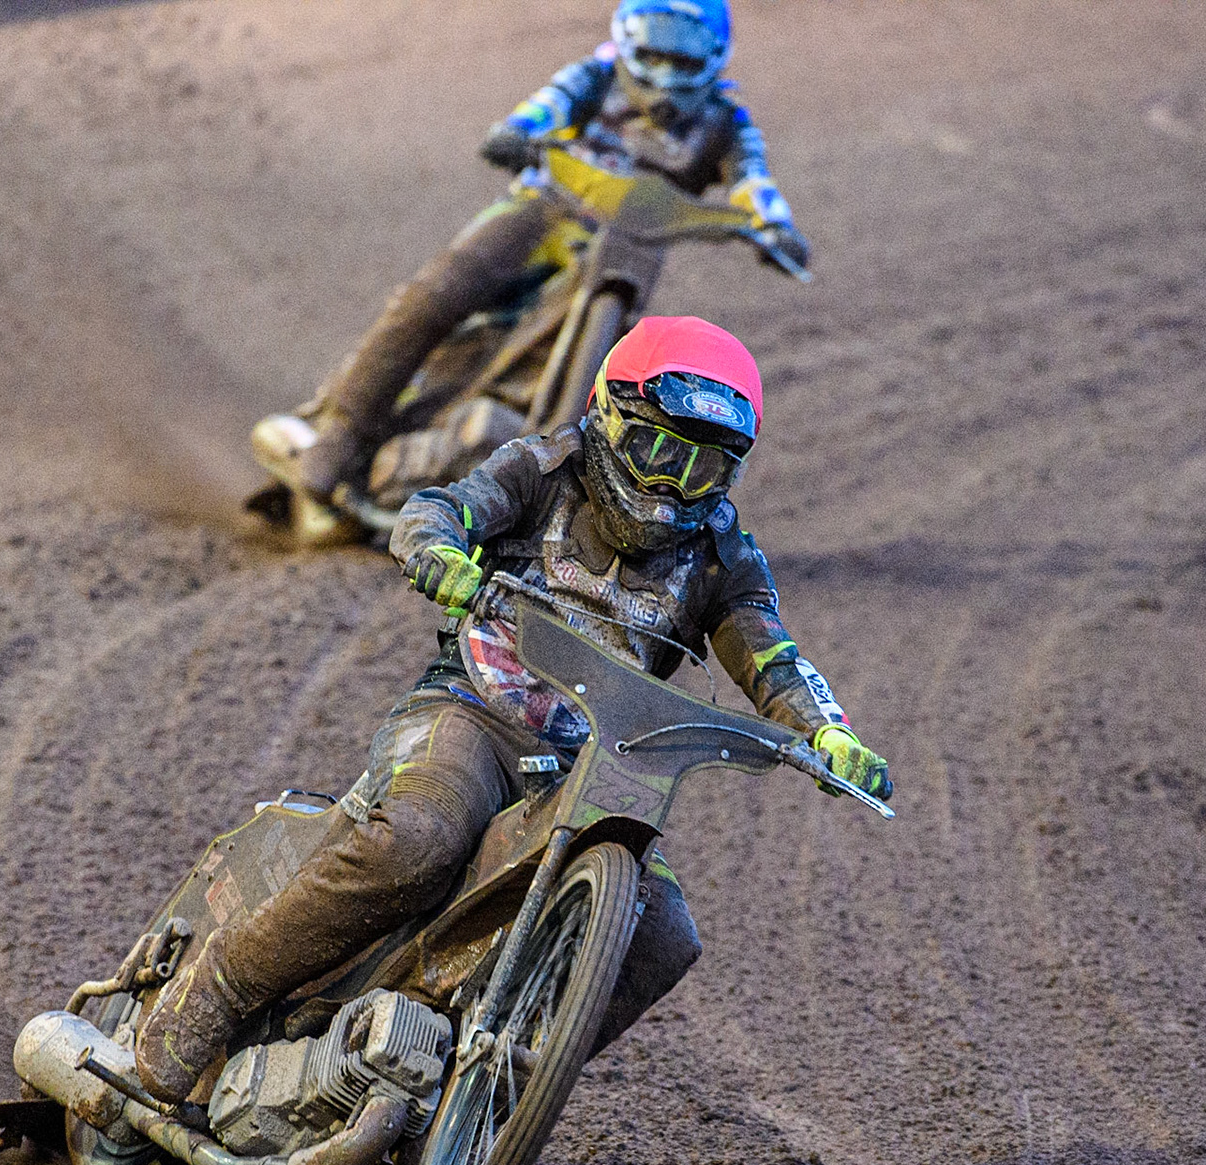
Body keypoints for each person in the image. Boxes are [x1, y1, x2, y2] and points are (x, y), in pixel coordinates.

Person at [137, 316, 891, 1104]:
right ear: (609, 419)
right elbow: (439, 510)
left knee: (664, 934)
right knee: (421, 835)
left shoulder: (723, 558)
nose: (672, 487)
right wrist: (439, 554)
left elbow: (773, 658)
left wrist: (828, 732)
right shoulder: (542, 469)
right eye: (658, 451)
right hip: (470, 708)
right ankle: (214, 992)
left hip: (594, 763)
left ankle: (479, 1107)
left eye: (702, 469)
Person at [269, 0, 812, 515]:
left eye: (683, 57)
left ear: (714, 56)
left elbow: (754, 181)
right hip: (545, 212)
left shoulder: (726, 123)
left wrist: (775, 228)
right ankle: (342, 431)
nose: (666, 73)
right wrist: (518, 132)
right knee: (440, 291)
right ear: (628, 39)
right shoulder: (596, 77)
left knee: (630, 375)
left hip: (629, 249)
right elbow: (547, 105)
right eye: (655, 51)